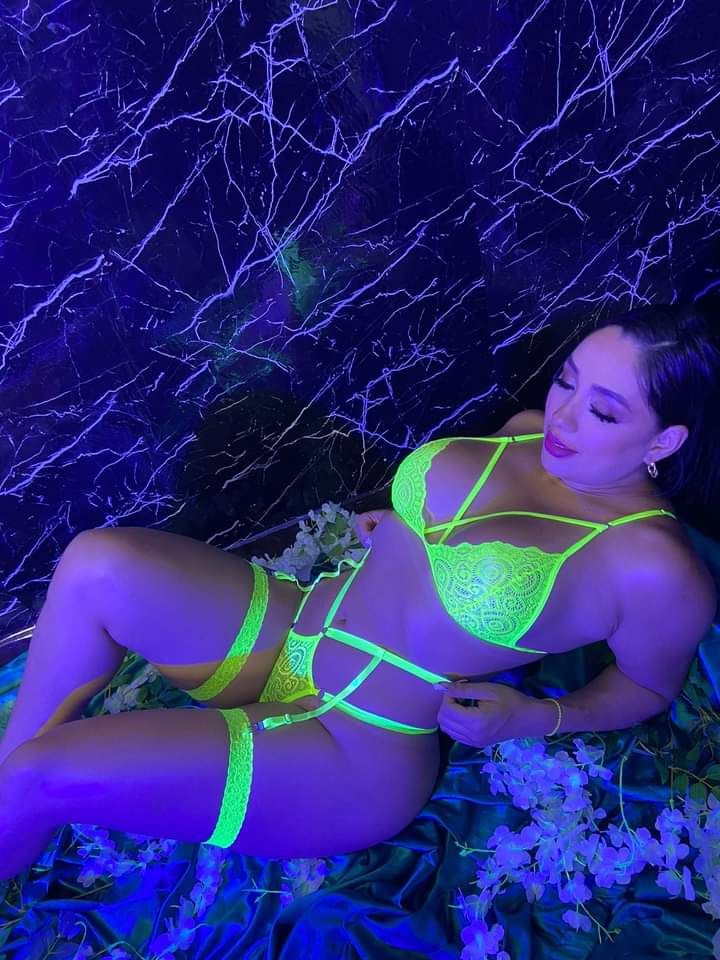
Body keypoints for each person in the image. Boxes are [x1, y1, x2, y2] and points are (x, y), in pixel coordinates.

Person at [0, 302, 717, 880]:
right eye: (566, 380)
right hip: (293, 629)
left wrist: (535, 717)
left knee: (42, 774)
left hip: (352, 744)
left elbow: (647, 688)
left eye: (604, 411)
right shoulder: (528, 432)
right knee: (95, 562)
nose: (563, 416)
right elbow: (443, 537)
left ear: (664, 442)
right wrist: (396, 526)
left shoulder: (653, 568)